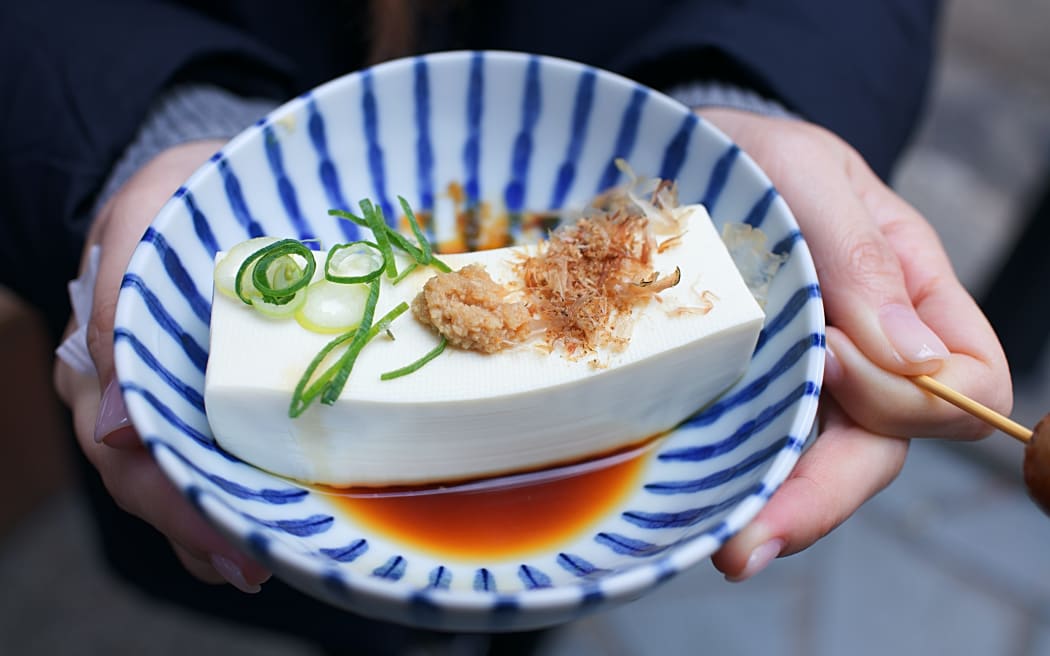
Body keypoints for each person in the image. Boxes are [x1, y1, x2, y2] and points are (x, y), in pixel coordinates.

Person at [2, 0, 1012, 652]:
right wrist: (152, 130)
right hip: (267, 490)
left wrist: (732, 118)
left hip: (600, 443)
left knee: (532, 626)